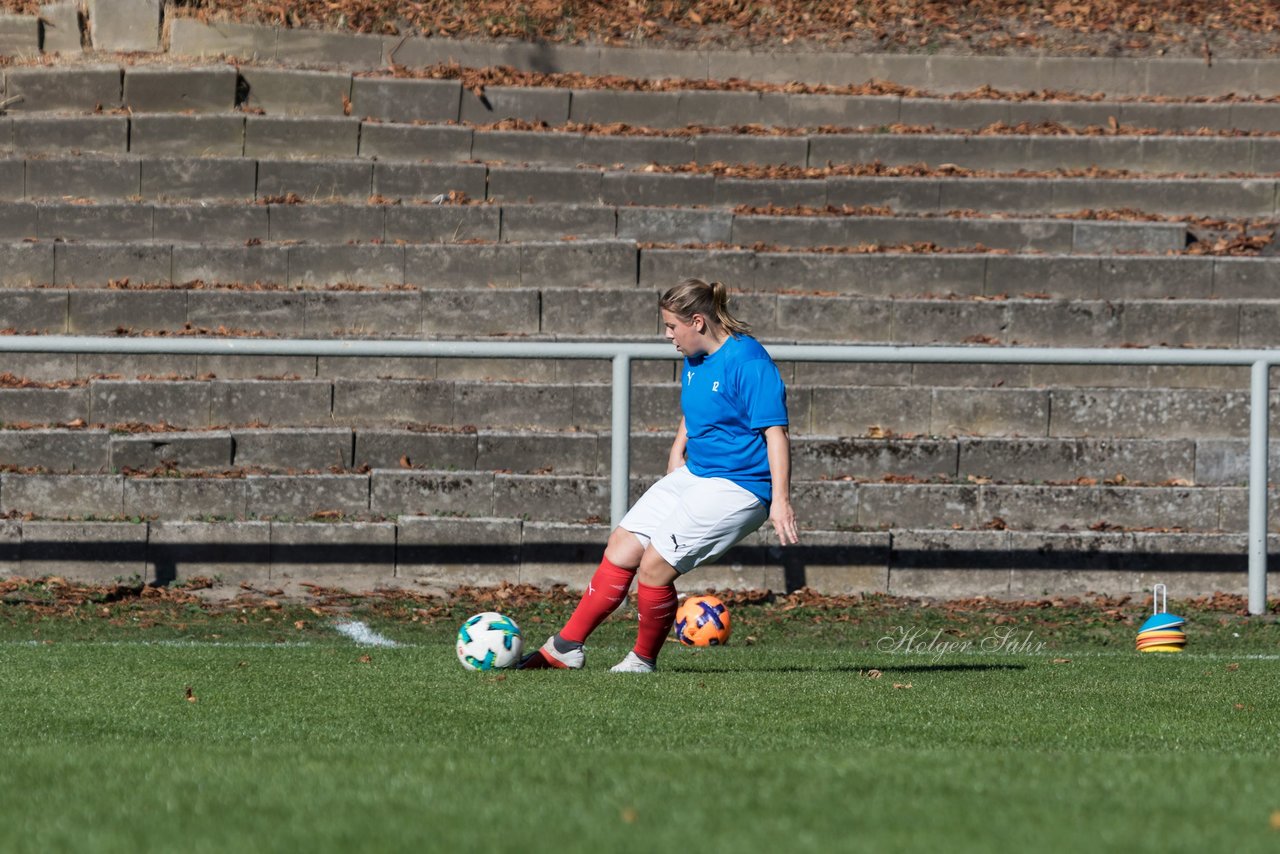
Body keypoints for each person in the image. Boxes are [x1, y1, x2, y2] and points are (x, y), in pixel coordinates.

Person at [520, 278, 800, 673]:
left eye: (672, 326)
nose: (668, 335)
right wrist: (676, 448)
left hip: (739, 486)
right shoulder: (696, 356)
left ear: (698, 322)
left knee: (654, 567)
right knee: (621, 545)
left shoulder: (749, 362)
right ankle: (566, 646)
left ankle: (641, 660)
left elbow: (776, 432)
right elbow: (700, 406)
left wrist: (781, 501)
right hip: (697, 473)